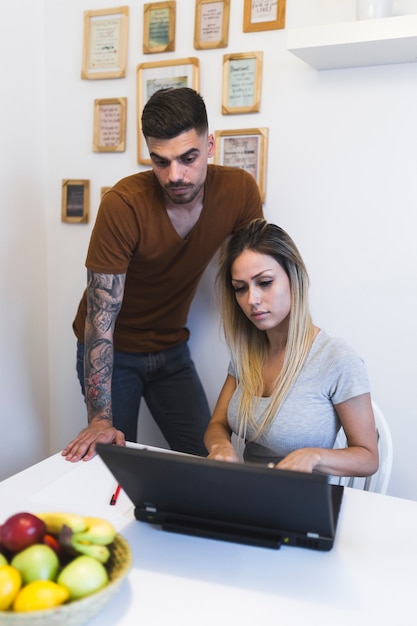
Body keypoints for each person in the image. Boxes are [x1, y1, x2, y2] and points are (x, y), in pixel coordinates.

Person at [62, 87, 263, 463]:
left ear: (210, 145)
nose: (175, 175)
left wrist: (281, 357)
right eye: (161, 162)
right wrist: (100, 419)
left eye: (188, 158)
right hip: (113, 351)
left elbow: (259, 274)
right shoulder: (123, 205)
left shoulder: (238, 190)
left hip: (171, 349)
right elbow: (100, 320)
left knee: (206, 463)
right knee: (119, 465)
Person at [204, 219, 379, 478]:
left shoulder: (336, 358)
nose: (251, 300)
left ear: (294, 279)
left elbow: (368, 457)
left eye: (264, 282)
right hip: (247, 493)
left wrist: (314, 456)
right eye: (240, 288)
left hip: (305, 503)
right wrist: (221, 447)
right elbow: (217, 424)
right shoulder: (246, 353)